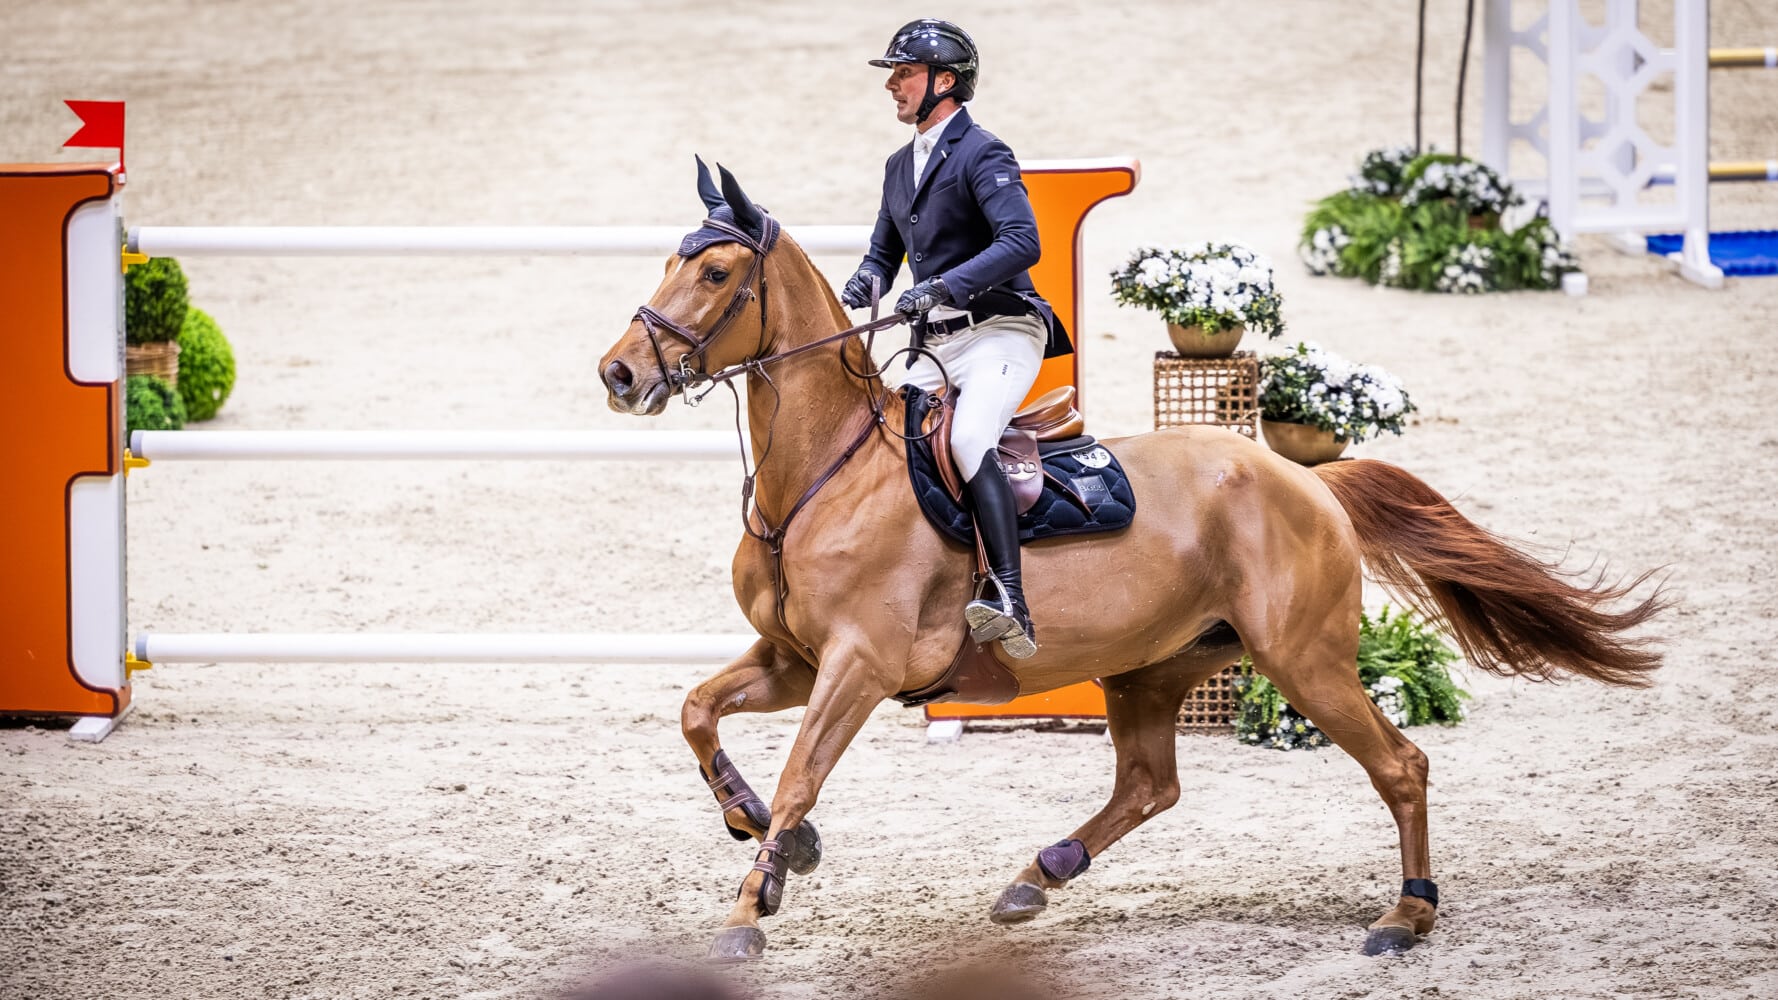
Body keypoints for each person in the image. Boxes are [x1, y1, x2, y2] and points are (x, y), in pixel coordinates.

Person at [839, 19, 1070, 660]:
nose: (892, 85)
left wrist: (943, 286)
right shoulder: (898, 166)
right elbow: (883, 255)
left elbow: (1022, 242)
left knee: (969, 439)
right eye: (893, 74)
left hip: (999, 330)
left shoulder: (983, 152)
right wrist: (863, 282)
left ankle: (1010, 597)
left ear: (945, 81)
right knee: (883, 439)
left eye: (904, 73)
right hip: (935, 346)